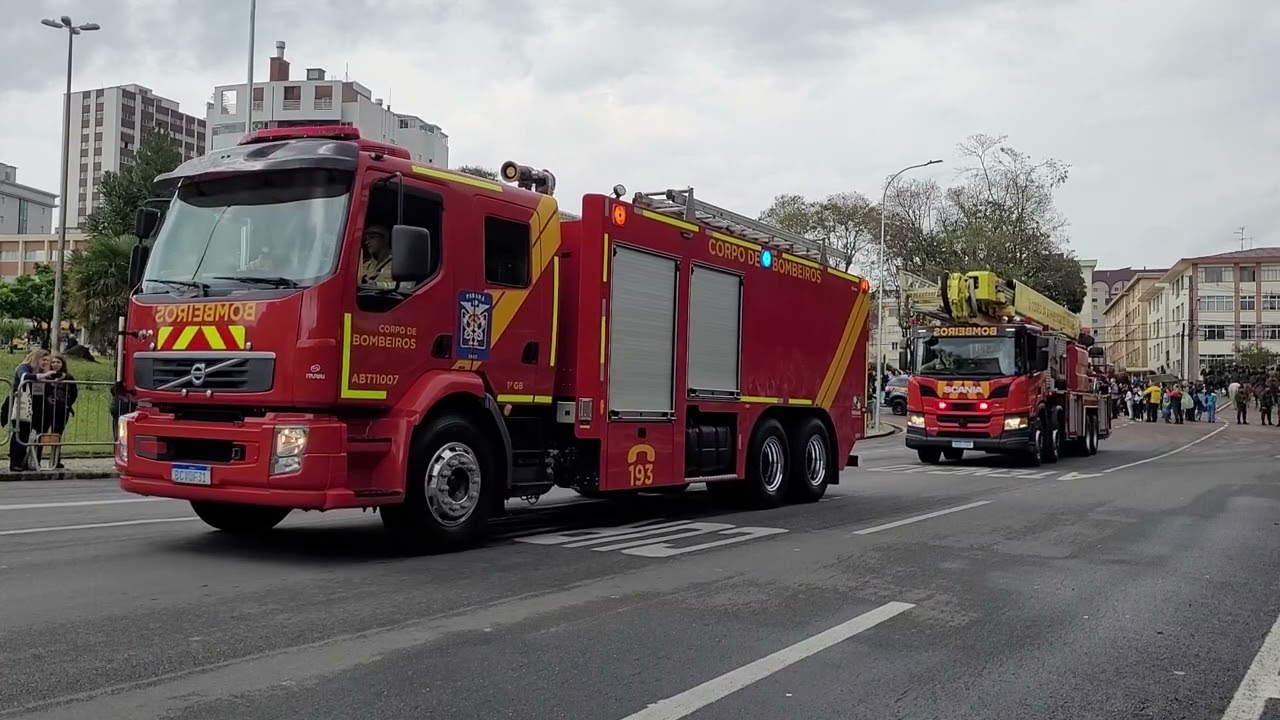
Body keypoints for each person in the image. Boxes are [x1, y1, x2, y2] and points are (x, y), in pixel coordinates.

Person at [7, 348, 55, 471]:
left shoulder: (40, 371)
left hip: (35, 407)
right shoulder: (24, 367)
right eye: (43, 359)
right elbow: (24, 376)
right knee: (20, 433)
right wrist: (42, 375)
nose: (45, 362)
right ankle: (15, 462)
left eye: (47, 360)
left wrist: (46, 375)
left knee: (30, 434)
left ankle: (27, 461)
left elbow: (49, 388)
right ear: (36, 358)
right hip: (21, 405)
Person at [42, 354, 77, 469]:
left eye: (58, 362)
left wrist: (68, 404)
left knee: (57, 434)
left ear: (63, 364)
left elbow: (74, 393)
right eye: (53, 362)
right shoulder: (46, 376)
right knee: (42, 433)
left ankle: (56, 459)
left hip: (62, 409)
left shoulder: (68, 377)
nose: (55, 365)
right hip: (46, 409)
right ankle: (37, 458)